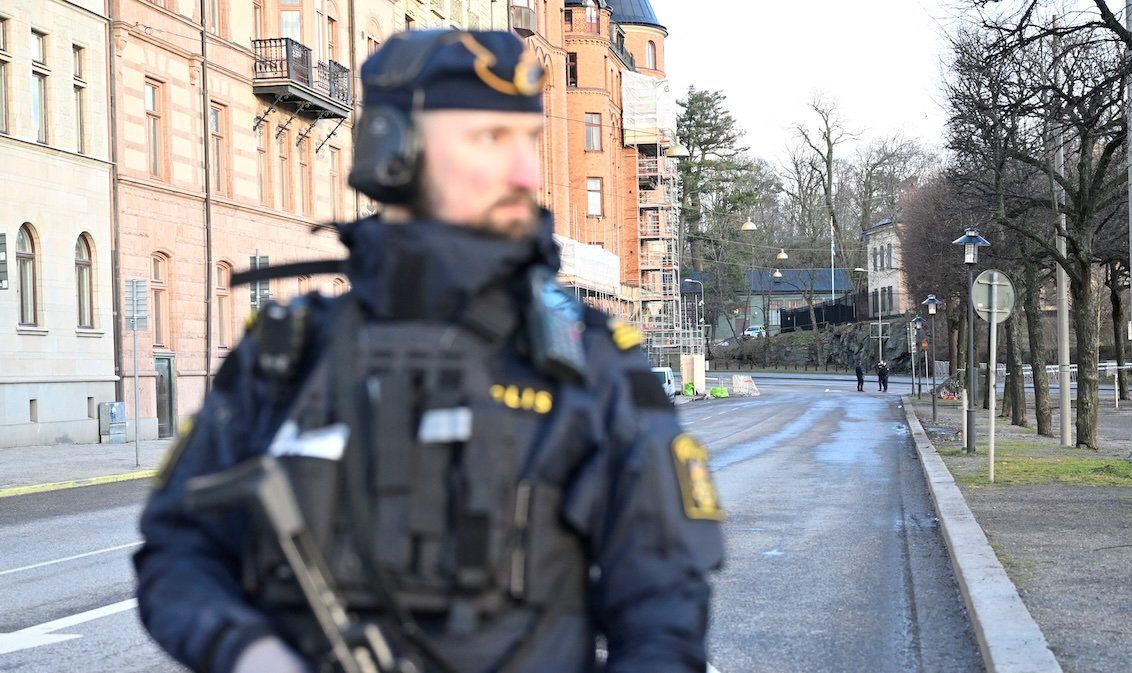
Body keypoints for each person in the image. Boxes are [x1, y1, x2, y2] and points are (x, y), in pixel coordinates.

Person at [135, 30, 723, 673]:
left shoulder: (593, 360)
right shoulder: (288, 355)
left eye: (527, 141)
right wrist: (251, 654)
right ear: (394, 149)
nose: (528, 172)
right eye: (489, 139)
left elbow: (664, 611)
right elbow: (176, 553)